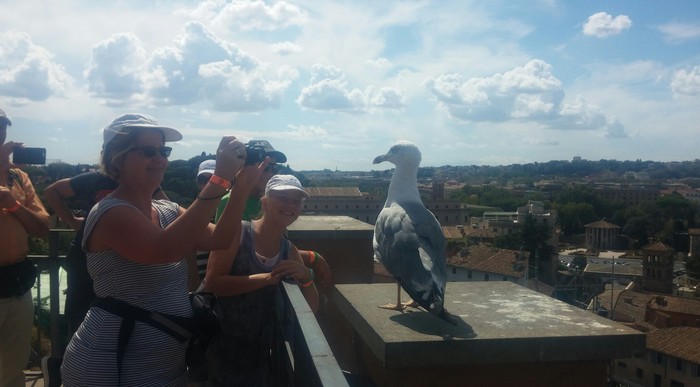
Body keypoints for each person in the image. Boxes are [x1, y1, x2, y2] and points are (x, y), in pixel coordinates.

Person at [60, 113, 267, 386]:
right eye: (148, 151)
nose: (159, 160)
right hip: (111, 362)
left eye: (163, 151)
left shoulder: (166, 210)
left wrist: (241, 187)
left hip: (163, 363)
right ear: (116, 158)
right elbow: (165, 250)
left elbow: (221, 238)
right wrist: (219, 179)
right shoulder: (109, 212)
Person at [41, 171, 168, 386]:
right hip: (86, 256)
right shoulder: (95, 179)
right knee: (81, 314)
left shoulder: (143, 178)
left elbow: (167, 210)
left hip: (120, 258)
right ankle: (66, 368)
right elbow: (51, 191)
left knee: (115, 315)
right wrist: (72, 221)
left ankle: (82, 369)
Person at [204, 174, 320, 386]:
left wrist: (307, 277)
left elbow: (311, 308)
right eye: (283, 198)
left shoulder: (289, 250)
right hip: (221, 345)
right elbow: (213, 284)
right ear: (265, 201)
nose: (291, 205)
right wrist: (265, 278)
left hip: (264, 352)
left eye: (297, 201)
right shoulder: (237, 232)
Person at [215, 140, 332, 289]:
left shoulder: (266, 200)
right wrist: (312, 257)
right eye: (265, 167)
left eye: (274, 168)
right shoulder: (231, 201)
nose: (270, 173)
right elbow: (248, 249)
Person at [0, 108, 50, 387]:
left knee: (13, 368)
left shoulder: (18, 177)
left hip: (17, 285)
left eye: (1, 125)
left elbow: (42, 227)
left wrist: (14, 205)